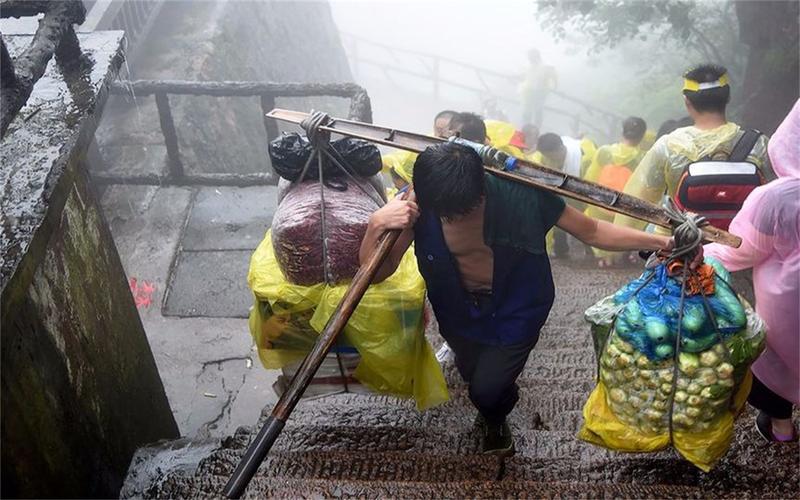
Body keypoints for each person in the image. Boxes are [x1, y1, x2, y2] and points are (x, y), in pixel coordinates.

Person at [359, 142, 692, 455]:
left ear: (484, 185)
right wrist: (376, 225)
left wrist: (665, 243)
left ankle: (494, 415)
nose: (456, 218)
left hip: (519, 304)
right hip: (456, 308)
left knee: (487, 389)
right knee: (471, 372)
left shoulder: (522, 193)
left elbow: (591, 231)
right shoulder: (416, 205)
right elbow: (375, 273)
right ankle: (494, 405)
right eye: (446, 213)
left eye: (465, 209)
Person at [704, 99, 799, 442]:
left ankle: (781, 428)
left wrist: (700, 252)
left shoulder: (778, 197)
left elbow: (740, 247)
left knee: (771, 357)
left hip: (789, 306)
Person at [614, 64, 775, 234]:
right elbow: (779, 199)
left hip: (681, 250)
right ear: (727, 98)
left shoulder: (669, 146)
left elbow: (636, 205)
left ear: (687, 101)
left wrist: (619, 239)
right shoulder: (759, 144)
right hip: (744, 250)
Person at [583, 117, 648, 267]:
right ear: (642, 135)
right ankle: (625, 251)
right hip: (626, 207)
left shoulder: (604, 152)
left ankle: (604, 256)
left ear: (622, 131)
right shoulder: (642, 157)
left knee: (597, 218)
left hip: (601, 203)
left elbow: (590, 177)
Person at [532, 133, 592, 257]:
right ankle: (561, 248)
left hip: (579, 193)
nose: (550, 160)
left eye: (551, 157)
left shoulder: (581, 157)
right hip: (557, 193)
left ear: (560, 148)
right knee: (556, 213)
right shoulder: (544, 157)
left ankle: (591, 248)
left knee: (584, 219)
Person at [382, 109, 457, 190]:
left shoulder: (461, 154)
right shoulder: (422, 144)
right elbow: (392, 160)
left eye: (447, 131)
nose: (441, 134)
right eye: (438, 129)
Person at [519, 49, 557, 127]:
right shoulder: (529, 66)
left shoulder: (546, 66)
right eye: (529, 58)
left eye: (531, 57)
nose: (530, 59)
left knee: (538, 112)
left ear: (537, 57)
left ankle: (536, 130)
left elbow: (554, 77)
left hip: (540, 92)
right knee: (527, 112)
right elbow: (525, 77)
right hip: (529, 92)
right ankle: (526, 129)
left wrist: (553, 87)